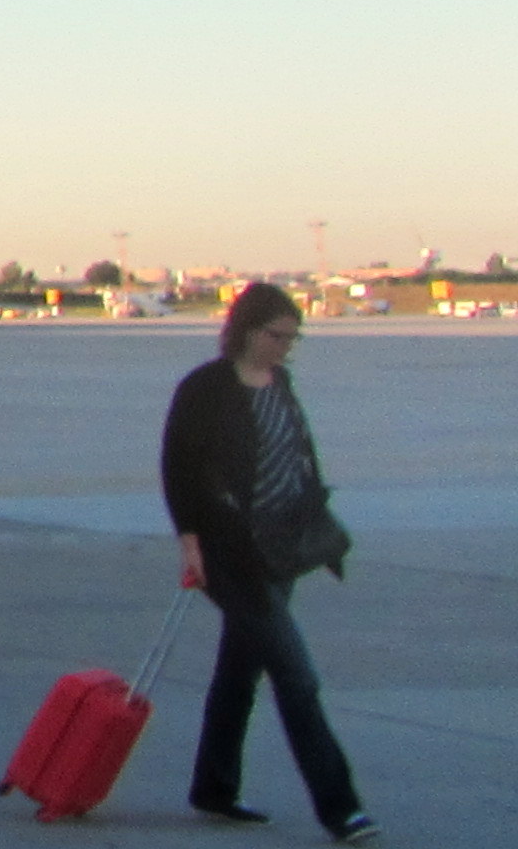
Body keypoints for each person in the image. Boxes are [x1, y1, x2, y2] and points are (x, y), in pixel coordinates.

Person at [162, 283, 373, 840]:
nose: (286, 346)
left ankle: (214, 787)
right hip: (231, 556)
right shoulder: (205, 388)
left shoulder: (282, 385)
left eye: (292, 337)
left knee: (239, 672)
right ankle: (341, 808)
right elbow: (178, 468)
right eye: (277, 335)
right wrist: (190, 542)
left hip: (282, 551)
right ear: (246, 329)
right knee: (297, 679)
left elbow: (297, 457)